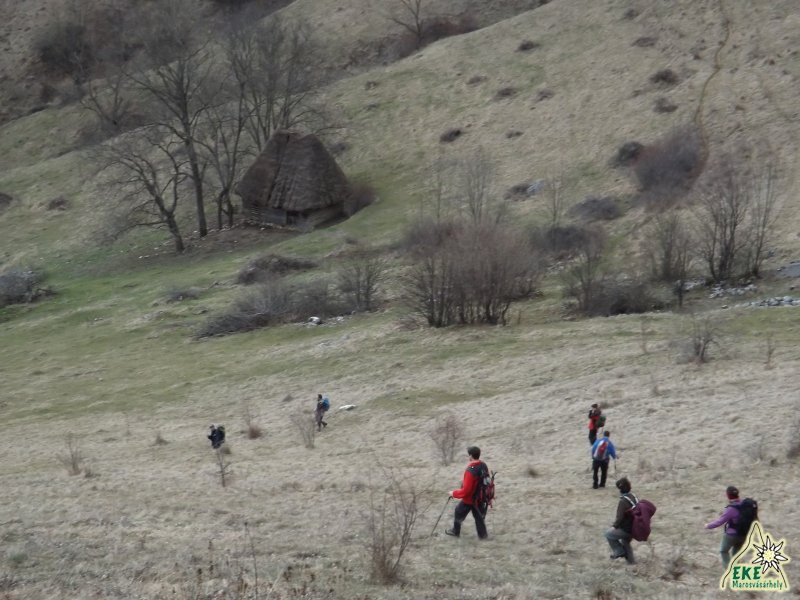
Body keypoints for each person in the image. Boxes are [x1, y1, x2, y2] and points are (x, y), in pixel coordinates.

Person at [445, 446, 489, 539]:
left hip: (469, 499)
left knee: (458, 512)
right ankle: (483, 536)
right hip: (481, 498)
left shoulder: (471, 470)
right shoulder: (483, 465)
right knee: (479, 518)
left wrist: (453, 493)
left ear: (471, 456)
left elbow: (466, 491)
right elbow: (487, 482)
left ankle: (455, 531)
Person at [705, 486, 746, 566]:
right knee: (736, 554)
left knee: (723, 551)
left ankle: (729, 570)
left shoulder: (731, 509)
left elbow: (720, 522)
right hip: (744, 534)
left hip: (732, 535)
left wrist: (708, 526)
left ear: (728, 495)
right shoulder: (745, 505)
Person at [605, 477, 637, 564]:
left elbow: (619, 517)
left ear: (620, 489)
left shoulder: (623, 502)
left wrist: (614, 526)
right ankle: (631, 563)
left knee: (608, 534)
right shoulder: (633, 497)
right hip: (635, 527)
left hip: (627, 529)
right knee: (625, 541)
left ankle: (619, 551)